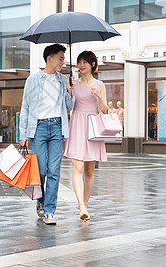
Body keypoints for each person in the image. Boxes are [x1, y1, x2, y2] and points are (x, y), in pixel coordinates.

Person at [19, 44, 74, 225]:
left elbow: (69, 107)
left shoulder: (63, 79)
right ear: (49, 58)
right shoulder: (33, 80)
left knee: (54, 171)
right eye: (60, 58)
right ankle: (41, 201)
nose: (63, 62)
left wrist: (70, 91)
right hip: (39, 128)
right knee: (41, 170)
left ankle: (50, 211)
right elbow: (25, 107)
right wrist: (23, 134)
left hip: (57, 126)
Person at [63, 50, 108, 221]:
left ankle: (85, 205)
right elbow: (68, 107)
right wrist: (69, 91)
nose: (81, 65)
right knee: (77, 167)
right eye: (79, 62)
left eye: (84, 62)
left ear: (92, 65)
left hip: (92, 127)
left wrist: (99, 97)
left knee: (89, 170)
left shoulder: (100, 85)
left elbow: (104, 110)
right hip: (76, 125)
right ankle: (80, 204)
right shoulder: (74, 83)